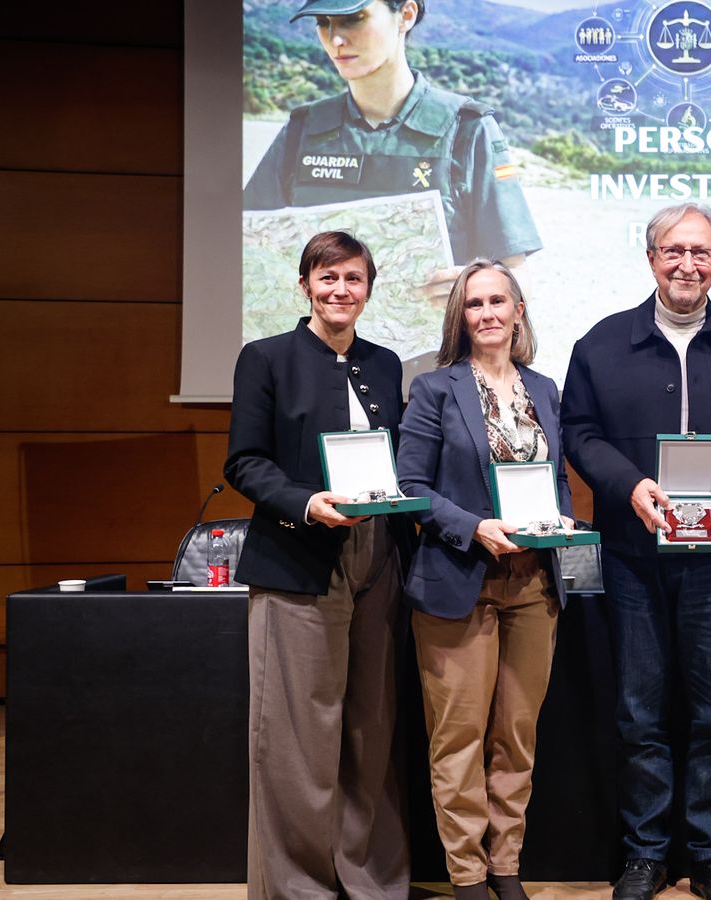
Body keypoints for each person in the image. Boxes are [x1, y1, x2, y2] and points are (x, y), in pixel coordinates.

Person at [560, 203, 711, 900]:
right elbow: (578, 431)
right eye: (673, 250)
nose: (686, 263)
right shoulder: (601, 344)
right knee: (640, 710)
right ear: (650, 257)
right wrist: (627, 484)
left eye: (701, 252)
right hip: (632, 555)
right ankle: (645, 853)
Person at [224, 230, 413, 900]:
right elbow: (245, 462)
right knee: (298, 736)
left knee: (370, 726)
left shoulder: (387, 363)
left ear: (368, 287)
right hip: (298, 558)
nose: (340, 291)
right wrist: (307, 505)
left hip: (378, 560)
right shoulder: (266, 358)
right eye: (326, 278)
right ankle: (297, 887)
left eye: (353, 279)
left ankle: (368, 881)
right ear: (305, 284)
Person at [395, 260, 572, 900]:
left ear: (518, 311)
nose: (488, 313)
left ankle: (506, 866)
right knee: (459, 740)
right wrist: (472, 528)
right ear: (461, 317)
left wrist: (563, 524)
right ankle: (467, 873)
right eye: (475, 304)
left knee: (517, 738)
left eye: (499, 300)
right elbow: (409, 487)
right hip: (458, 581)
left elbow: (555, 483)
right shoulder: (435, 389)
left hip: (533, 586)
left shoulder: (546, 390)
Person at [244, 0, 542, 308]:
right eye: (323, 21)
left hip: (432, 355)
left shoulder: (466, 130)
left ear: (406, 15)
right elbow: (246, 251)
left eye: (354, 18)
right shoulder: (302, 131)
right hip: (319, 353)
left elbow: (517, 275)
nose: (335, 39)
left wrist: (475, 290)